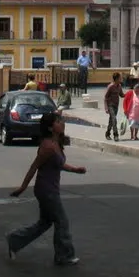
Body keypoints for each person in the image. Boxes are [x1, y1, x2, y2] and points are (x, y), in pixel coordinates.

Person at [7, 112, 85, 266]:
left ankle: (14, 240)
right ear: (50, 128)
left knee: (45, 222)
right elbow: (34, 167)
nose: (61, 123)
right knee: (62, 221)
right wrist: (23, 187)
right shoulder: (47, 146)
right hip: (46, 190)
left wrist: (75, 170)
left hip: (50, 189)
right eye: (58, 121)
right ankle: (64, 255)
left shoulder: (56, 143)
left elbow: (59, 165)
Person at [104, 73, 124, 141]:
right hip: (110, 105)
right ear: (116, 79)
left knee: (111, 121)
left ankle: (107, 133)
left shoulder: (119, 86)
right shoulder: (110, 86)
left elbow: (121, 95)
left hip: (116, 106)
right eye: (120, 78)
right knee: (114, 119)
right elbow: (105, 97)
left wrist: (130, 94)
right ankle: (116, 135)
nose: (121, 79)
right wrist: (106, 108)